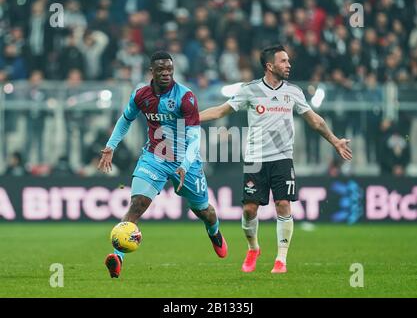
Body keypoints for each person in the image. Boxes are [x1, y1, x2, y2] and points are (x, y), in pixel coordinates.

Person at [199, 45, 352, 274]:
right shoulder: (249, 90)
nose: (288, 65)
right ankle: (253, 248)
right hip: (255, 159)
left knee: (283, 205)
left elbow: (315, 121)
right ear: (270, 66)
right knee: (250, 210)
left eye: (288, 61)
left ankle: (281, 259)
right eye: (283, 61)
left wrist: (334, 141)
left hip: (282, 158)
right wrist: (191, 118)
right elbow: (221, 111)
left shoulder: (293, 92)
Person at [98, 51, 228, 278]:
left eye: (170, 69)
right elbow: (125, 119)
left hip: (186, 162)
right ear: (152, 71)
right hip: (154, 157)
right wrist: (111, 146)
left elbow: (195, 137)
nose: (166, 74)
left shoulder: (185, 97)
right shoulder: (141, 95)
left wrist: (186, 165)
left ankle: (214, 232)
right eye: (161, 70)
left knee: (204, 211)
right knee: (137, 204)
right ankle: (117, 258)